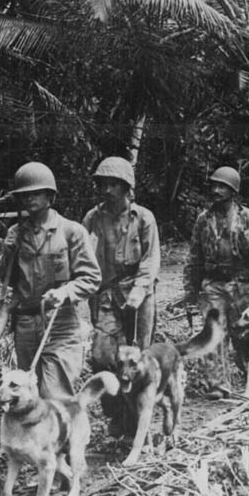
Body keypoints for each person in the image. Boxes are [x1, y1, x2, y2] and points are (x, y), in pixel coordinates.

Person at [0, 162, 101, 400]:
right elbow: (7, 280)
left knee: (55, 394)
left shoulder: (71, 231)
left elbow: (91, 278)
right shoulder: (16, 234)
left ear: (50, 196)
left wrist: (65, 291)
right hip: (25, 323)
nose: (29, 199)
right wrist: (8, 251)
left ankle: (65, 437)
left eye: (35, 193)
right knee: (28, 396)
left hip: (61, 323)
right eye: (24, 195)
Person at [82, 156, 160, 432]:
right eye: (104, 183)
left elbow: (151, 260)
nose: (108, 189)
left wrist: (139, 291)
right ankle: (116, 413)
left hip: (138, 295)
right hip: (106, 295)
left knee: (138, 356)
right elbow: (84, 257)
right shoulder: (93, 218)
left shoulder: (144, 218)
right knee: (103, 356)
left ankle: (138, 417)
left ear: (127, 188)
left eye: (115, 184)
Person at [184, 167, 249, 398]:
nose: (216, 190)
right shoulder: (203, 220)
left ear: (233, 191)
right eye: (214, 186)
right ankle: (218, 384)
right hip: (213, 285)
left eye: (222, 186)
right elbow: (194, 257)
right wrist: (191, 290)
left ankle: (248, 371)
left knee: (240, 334)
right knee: (213, 332)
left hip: (242, 284)